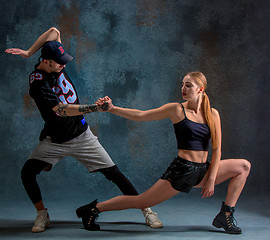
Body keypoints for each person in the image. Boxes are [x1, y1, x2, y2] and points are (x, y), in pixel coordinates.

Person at [5, 27, 162, 233]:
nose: (63, 64)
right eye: (59, 61)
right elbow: (60, 110)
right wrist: (95, 108)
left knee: (115, 174)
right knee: (27, 173)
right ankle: (42, 213)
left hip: (82, 136)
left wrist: (27, 52)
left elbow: (53, 31)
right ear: (46, 61)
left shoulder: (55, 60)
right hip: (56, 140)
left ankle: (146, 209)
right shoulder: (38, 83)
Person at [76, 71, 251, 234]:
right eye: (182, 84)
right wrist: (112, 109)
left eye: (188, 85)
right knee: (142, 201)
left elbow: (217, 148)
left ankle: (225, 216)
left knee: (243, 166)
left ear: (200, 89)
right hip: (182, 171)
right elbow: (141, 115)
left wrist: (211, 178)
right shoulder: (177, 109)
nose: (183, 89)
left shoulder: (213, 114)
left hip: (203, 171)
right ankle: (92, 209)